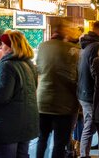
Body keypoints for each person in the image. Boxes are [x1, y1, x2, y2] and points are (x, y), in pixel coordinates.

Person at [0, 30, 39, 158]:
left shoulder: (7, 66)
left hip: (7, 125)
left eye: (3, 44)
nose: (1, 47)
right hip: (25, 122)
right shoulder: (29, 65)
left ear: (9, 46)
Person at [36, 19, 79, 158]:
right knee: (60, 142)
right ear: (64, 30)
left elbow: (39, 69)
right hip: (64, 103)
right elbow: (73, 75)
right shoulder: (72, 50)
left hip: (42, 101)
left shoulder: (42, 46)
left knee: (42, 138)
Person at [77, 20, 99, 158]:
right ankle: (84, 154)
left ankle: (84, 153)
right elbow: (96, 71)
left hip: (84, 90)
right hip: (90, 92)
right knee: (91, 125)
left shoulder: (87, 45)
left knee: (90, 124)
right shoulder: (96, 47)